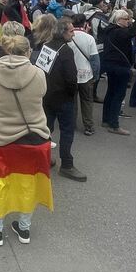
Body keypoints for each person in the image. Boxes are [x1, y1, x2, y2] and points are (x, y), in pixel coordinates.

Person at [0, 33, 53, 246]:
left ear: (6, 50)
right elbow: (42, 94)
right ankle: (24, 229)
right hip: (36, 138)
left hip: (4, 138)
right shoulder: (38, 74)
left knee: (1, 183)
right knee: (28, 183)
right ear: (28, 52)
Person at [33, 15, 86, 182]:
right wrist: (72, 94)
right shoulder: (66, 51)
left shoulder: (47, 46)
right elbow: (71, 78)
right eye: (71, 31)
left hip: (46, 96)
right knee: (67, 132)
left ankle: (42, 159)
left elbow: (40, 70)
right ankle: (67, 165)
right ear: (63, 32)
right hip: (63, 99)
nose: (74, 34)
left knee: (45, 129)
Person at [99, 8, 136, 134]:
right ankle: (114, 125)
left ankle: (106, 119)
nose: (129, 21)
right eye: (126, 19)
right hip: (120, 66)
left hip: (111, 65)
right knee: (118, 95)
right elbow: (132, 32)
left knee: (111, 92)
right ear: (119, 20)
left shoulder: (110, 30)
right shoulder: (119, 32)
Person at [69, 13, 100, 136]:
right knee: (87, 101)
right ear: (84, 23)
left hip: (71, 74)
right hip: (86, 74)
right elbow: (95, 60)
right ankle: (88, 126)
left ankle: (71, 124)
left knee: (72, 101)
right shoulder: (89, 38)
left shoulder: (68, 36)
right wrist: (95, 76)